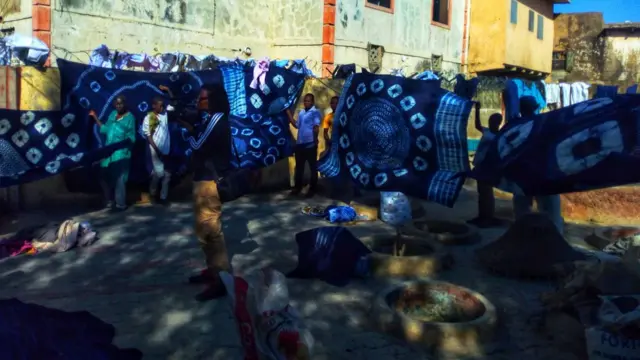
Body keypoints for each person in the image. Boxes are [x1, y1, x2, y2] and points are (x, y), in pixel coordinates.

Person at [176, 84, 233, 302]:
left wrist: (187, 131)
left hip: (210, 183)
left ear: (213, 101)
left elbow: (198, 144)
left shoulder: (217, 118)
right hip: (202, 180)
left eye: (202, 100)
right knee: (203, 232)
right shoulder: (210, 119)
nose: (199, 104)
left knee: (212, 232)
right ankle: (213, 270)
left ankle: (222, 280)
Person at [89, 96, 136, 211]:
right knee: (103, 175)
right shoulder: (112, 115)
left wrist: (122, 147)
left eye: (120, 104)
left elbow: (132, 137)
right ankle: (109, 200)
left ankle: (120, 204)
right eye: (116, 104)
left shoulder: (130, 118)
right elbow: (105, 129)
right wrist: (95, 117)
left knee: (120, 179)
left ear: (125, 104)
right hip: (108, 152)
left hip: (121, 153)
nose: (118, 106)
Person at [468, 102, 503, 228]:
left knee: (486, 193)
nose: (489, 122)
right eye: (489, 120)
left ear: (497, 123)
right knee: (482, 193)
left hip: (487, 168)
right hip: (480, 166)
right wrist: (477, 109)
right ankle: (482, 216)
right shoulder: (488, 131)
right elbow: (477, 124)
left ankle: (487, 217)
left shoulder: (498, 136)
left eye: (492, 120)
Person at [286, 93, 321, 198]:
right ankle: (297, 188)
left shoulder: (315, 112)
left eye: (309, 101)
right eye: (305, 101)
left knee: (312, 168)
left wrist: (315, 140)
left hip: (310, 145)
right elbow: (297, 125)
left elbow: (316, 127)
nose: (306, 102)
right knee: (299, 168)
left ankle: (312, 189)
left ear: (312, 102)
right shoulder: (301, 113)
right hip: (300, 145)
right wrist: (288, 114)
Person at [142, 92, 172, 205]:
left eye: (163, 105)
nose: (162, 107)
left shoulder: (165, 115)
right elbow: (148, 136)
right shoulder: (150, 117)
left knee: (167, 175)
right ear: (154, 105)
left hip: (166, 151)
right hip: (155, 151)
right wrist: (156, 150)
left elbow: (174, 104)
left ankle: (163, 198)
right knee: (158, 174)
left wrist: (168, 90)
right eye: (160, 105)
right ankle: (152, 194)